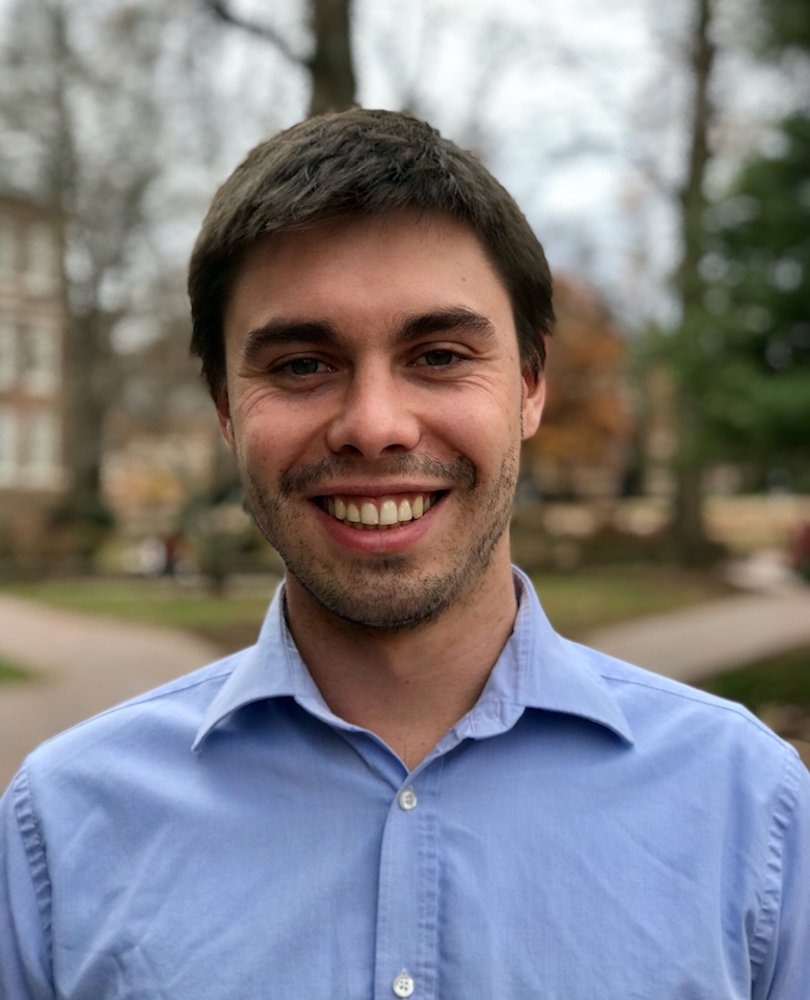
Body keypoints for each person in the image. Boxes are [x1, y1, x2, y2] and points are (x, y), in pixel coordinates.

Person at [1, 109, 808, 1000]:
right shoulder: (62, 830)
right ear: (226, 408)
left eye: (439, 355)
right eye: (302, 365)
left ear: (531, 384)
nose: (375, 426)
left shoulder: (749, 812)